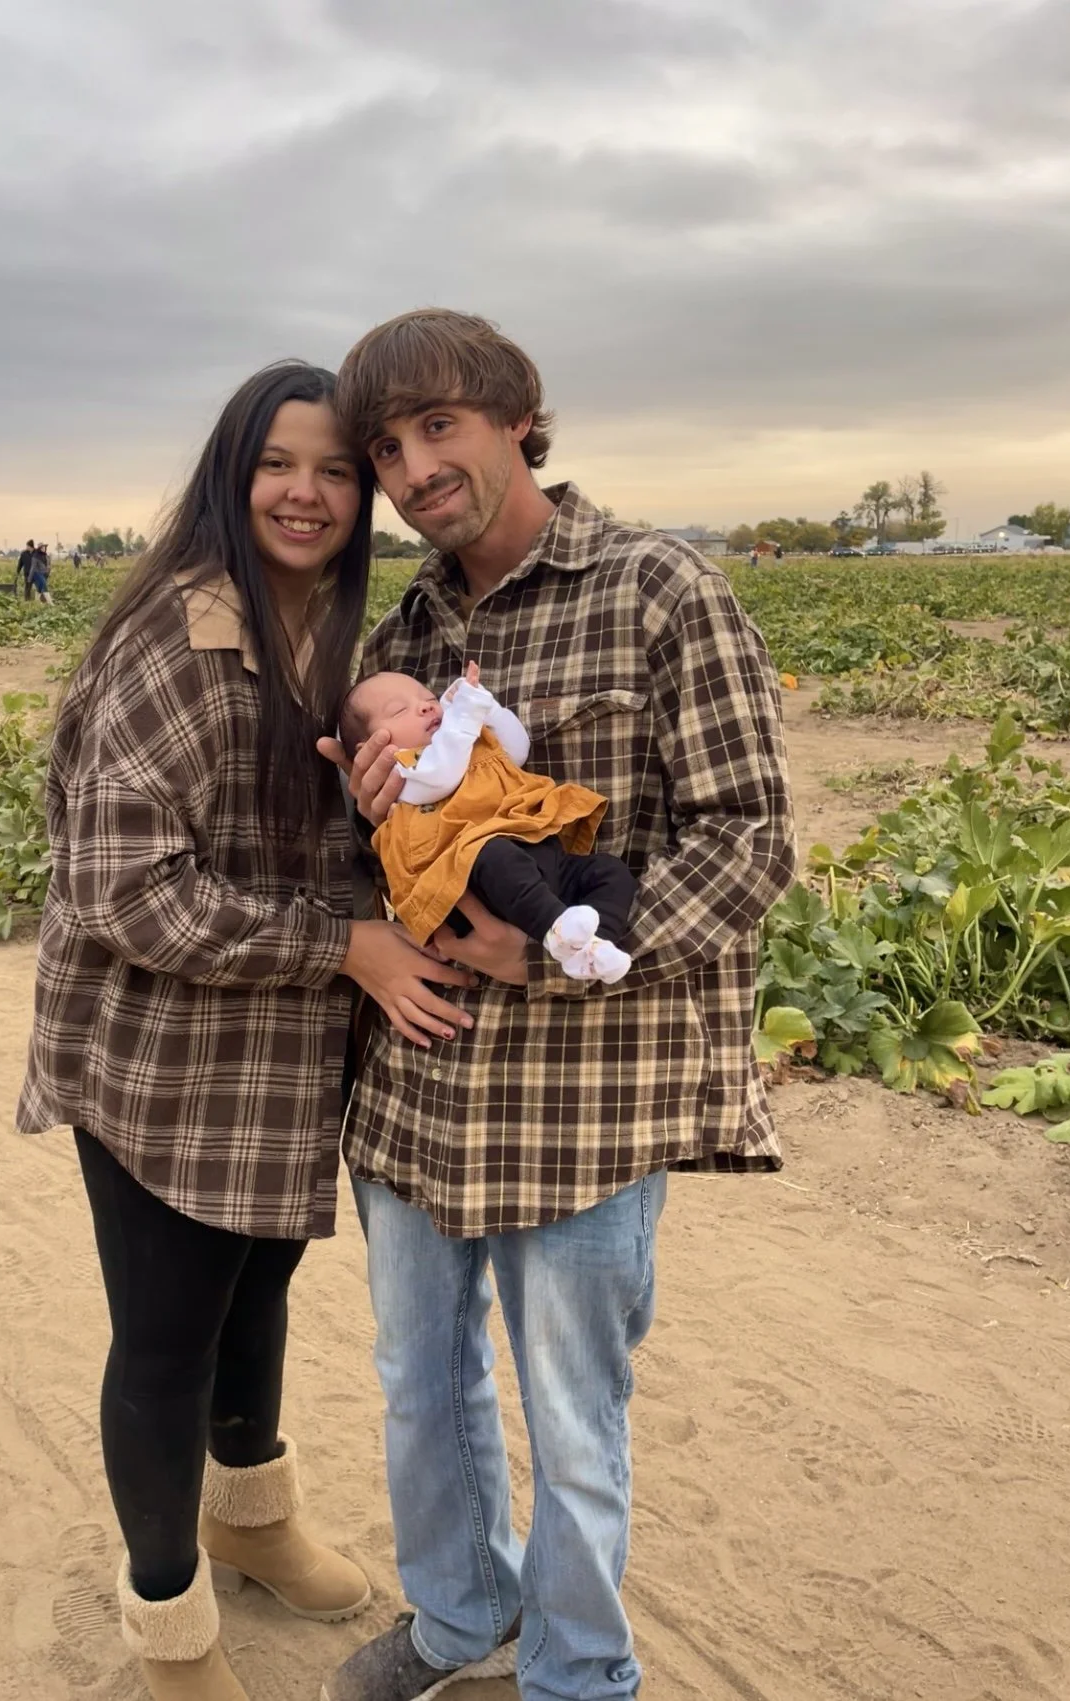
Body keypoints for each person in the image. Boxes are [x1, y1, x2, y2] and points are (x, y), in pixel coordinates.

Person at [318, 310, 795, 1701]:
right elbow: (401, 850)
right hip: (419, 1083)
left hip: (587, 1094)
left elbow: (751, 840)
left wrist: (561, 951)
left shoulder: (659, 589)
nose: (413, 470)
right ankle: (463, 1620)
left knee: (576, 1420)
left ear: (518, 414)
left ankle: (580, 1673)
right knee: (423, 1384)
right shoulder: (405, 627)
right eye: (388, 448)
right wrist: (367, 816)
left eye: (438, 428)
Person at [16, 360, 474, 1701]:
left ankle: (252, 1517)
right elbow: (119, 890)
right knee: (164, 1341)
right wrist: (347, 943)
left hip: (281, 1055)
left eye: (339, 469)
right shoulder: (174, 639)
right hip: (156, 1057)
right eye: (282, 462)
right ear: (234, 470)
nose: (309, 491)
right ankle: (170, 1622)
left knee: (257, 1290)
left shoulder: (338, 637)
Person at [340, 662, 635, 983]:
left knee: (609, 871)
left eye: (428, 698)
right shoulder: (406, 770)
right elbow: (441, 775)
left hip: (536, 853)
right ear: (370, 748)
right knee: (495, 854)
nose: (425, 705)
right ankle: (555, 930)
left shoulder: (466, 740)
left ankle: (594, 947)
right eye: (399, 711)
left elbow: (517, 749)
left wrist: (487, 707)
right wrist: (464, 715)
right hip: (474, 876)